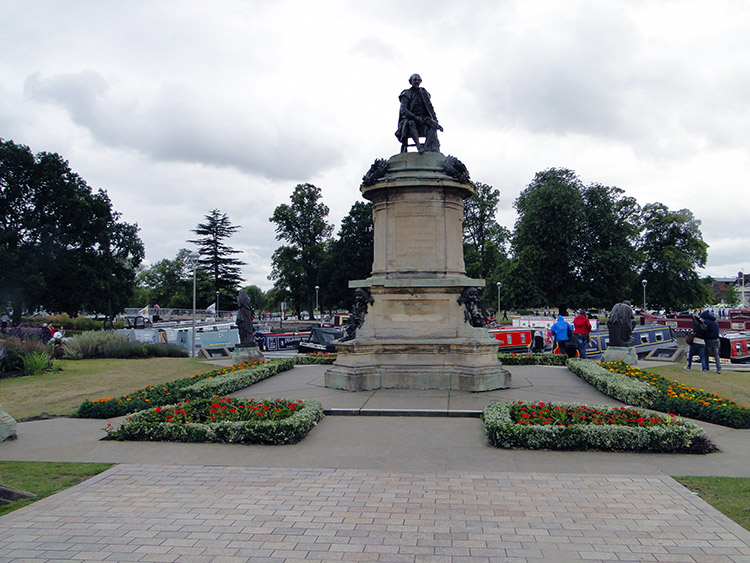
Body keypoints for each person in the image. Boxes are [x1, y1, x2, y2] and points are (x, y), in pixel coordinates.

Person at [395, 74, 442, 153]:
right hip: (411, 118)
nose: (416, 82)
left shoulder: (424, 93)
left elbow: (430, 108)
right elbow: (404, 110)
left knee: (434, 125)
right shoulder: (406, 94)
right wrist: (415, 117)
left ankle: (426, 146)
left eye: (418, 80)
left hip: (423, 119)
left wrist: (436, 121)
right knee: (411, 123)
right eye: (415, 80)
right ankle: (418, 146)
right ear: (411, 82)